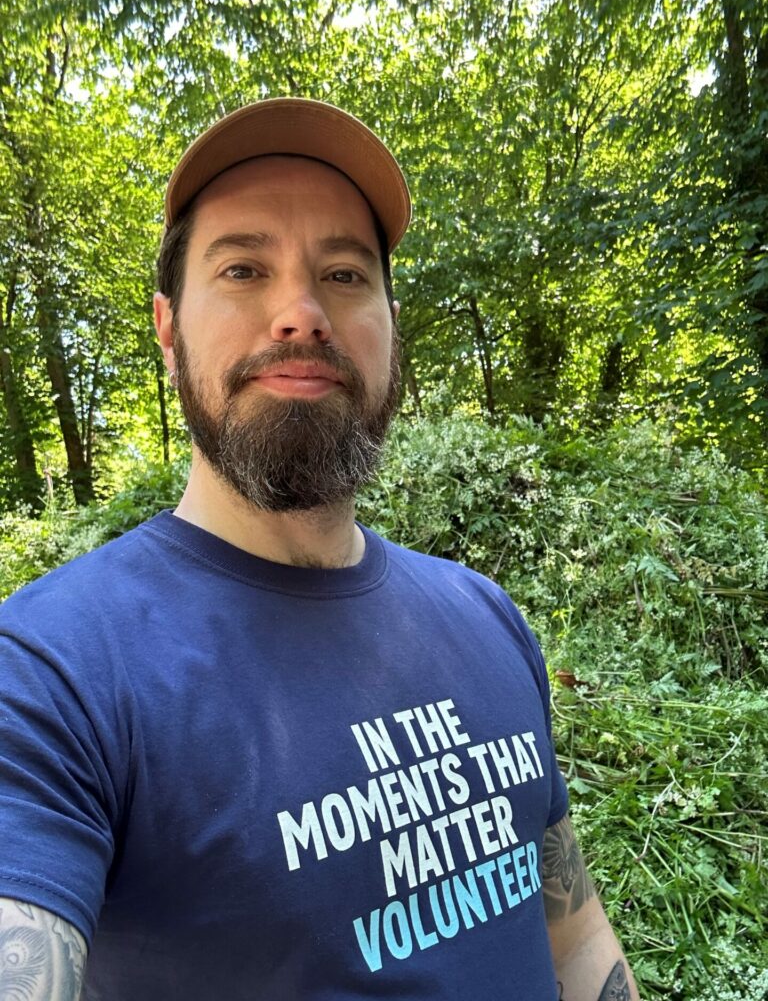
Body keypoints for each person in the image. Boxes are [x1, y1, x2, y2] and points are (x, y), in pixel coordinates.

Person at [0, 98, 639, 1000]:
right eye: (244, 268)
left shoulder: (485, 616)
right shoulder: (47, 674)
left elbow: (572, 937)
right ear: (168, 329)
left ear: (389, 325)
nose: (300, 314)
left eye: (343, 274)